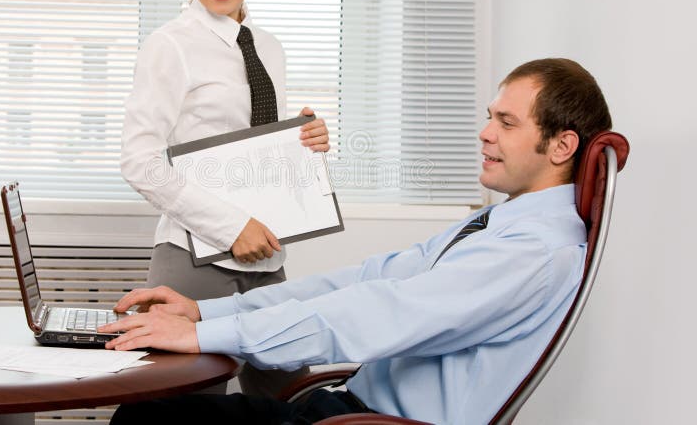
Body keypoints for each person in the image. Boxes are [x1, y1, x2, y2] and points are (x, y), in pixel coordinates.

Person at [104, 58, 613, 424]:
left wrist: (201, 338)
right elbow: (372, 278)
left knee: (147, 423)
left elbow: (378, 312)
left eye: (506, 122)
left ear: (562, 145)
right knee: (152, 412)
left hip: (369, 422)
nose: (484, 132)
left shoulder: (534, 253)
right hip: (343, 407)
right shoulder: (503, 224)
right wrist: (206, 313)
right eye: (489, 116)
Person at [120, 0, 329, 398]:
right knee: (187, 412)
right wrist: (231, 227)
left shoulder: (267, 45)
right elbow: (140, 161)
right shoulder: (169, 45)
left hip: (266, 258)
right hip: (194, 257)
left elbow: (248, 147)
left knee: (286, 401)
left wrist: (303, 140)